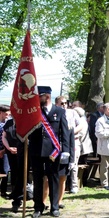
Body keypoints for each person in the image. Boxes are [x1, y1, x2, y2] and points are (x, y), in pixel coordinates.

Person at [29, 86, 70, 218]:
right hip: (36, 150)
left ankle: (54, 207)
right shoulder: (35, 111)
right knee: (37, 179)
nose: (37, 98)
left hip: (54, 151)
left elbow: (64, 131)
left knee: (54, 179)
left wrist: (66, 150)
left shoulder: (59, 111)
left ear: (46, 96)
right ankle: (38, 207)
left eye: (39, 96)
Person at [54, 96, 78, 207]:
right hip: (51, 154)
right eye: (61, 103)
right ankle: (46, 202)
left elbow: (71, 143)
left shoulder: (70, 119)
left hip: (64, 154)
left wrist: (72, 160)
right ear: (56, 104)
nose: (64, 105)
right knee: (48, 179)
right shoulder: (52, 118)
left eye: (65, 103)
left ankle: (59, 201)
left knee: (62, 179)